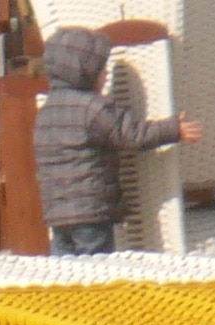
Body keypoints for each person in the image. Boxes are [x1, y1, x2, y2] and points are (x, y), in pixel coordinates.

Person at [32, 26, 198, 255]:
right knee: (97, 270)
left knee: (65, 270)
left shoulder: (46, 111)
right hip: (90, 210)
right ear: (85, 73)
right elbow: (131, 135)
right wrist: (173, 129)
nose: (106, 76)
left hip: (56, 212)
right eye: (102, 71)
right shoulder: (94, 109)